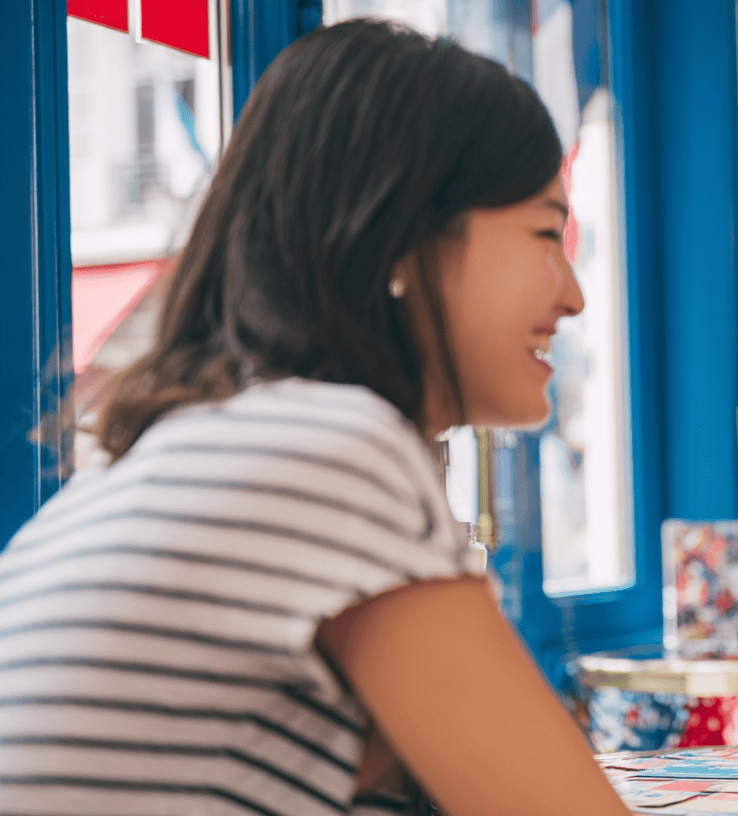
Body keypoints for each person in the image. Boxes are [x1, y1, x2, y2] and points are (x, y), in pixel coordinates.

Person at [0, 20, 630, 816]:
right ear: (404, 238)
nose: (573, 293)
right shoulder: (330, 451)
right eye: (545, 232)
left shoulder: (198, 448)